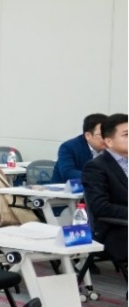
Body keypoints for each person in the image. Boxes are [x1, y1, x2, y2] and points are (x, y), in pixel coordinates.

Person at [81, 113, 127, 266]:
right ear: (109, 141)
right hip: (117, 229)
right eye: (126, 135)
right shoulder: (96, 167)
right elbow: (100, 207)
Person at [53, 113, 108, 184]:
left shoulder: (112, 149)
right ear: (88, 135)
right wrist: (97, 177)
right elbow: (68, 173)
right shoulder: (69, 147)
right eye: (102, 134)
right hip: (65, 189)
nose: (107, 138)